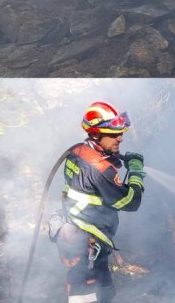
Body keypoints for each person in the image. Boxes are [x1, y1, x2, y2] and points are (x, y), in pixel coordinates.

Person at [55, 101, 145, 303]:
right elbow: (131, 202)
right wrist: (137, 172)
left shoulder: (77, 151)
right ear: (96, 134)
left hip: (77, 235)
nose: (120, 138)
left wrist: (113, 159)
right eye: (114, 134)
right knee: (88, 297)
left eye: (121, 133)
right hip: (86, 246)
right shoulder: (99, 169)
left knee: (99, 292)